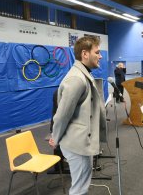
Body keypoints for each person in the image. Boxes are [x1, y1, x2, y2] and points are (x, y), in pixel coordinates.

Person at [49, 36, 107, 195]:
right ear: (85, 54)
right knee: (79, 189)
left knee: (81, 186)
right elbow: (61, 115)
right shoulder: (76, 78)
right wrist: (55, 138)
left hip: (80, 142)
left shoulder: (83, 74)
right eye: (97, 52)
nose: (100, 56)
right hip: (76, 145)